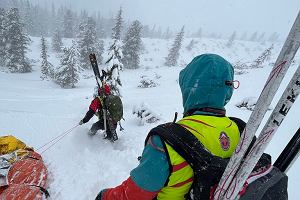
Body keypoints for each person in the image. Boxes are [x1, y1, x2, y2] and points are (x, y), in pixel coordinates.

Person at [95, 54, 241, 199]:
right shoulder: (239, 131)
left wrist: (105, 196)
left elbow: (133, 195)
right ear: (227, 90)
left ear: (189, 87)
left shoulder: (166, 141)